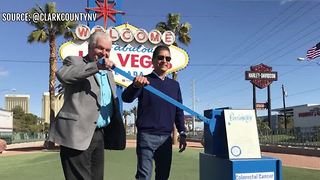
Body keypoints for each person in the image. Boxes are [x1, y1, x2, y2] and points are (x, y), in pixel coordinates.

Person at [49, 31, 126, 180]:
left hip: (99, 134)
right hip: (76, 134)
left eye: (108, 50)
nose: (104, 53)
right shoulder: (74, 61)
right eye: (100, 48)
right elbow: (63, 75)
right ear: (90, 47)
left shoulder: (109, 73)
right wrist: (96, 66)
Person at [122, 45, 187, 180]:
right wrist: (135, 85)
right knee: (144, 176)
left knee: (163, 176)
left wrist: (182, 132)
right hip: (146, 136)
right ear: (153, 61)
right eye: (161, 57)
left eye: (167, 58)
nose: (164, 60)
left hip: (165, 139)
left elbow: (178, 111)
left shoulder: (175, 86)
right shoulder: (144, 80)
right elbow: (126, 98)